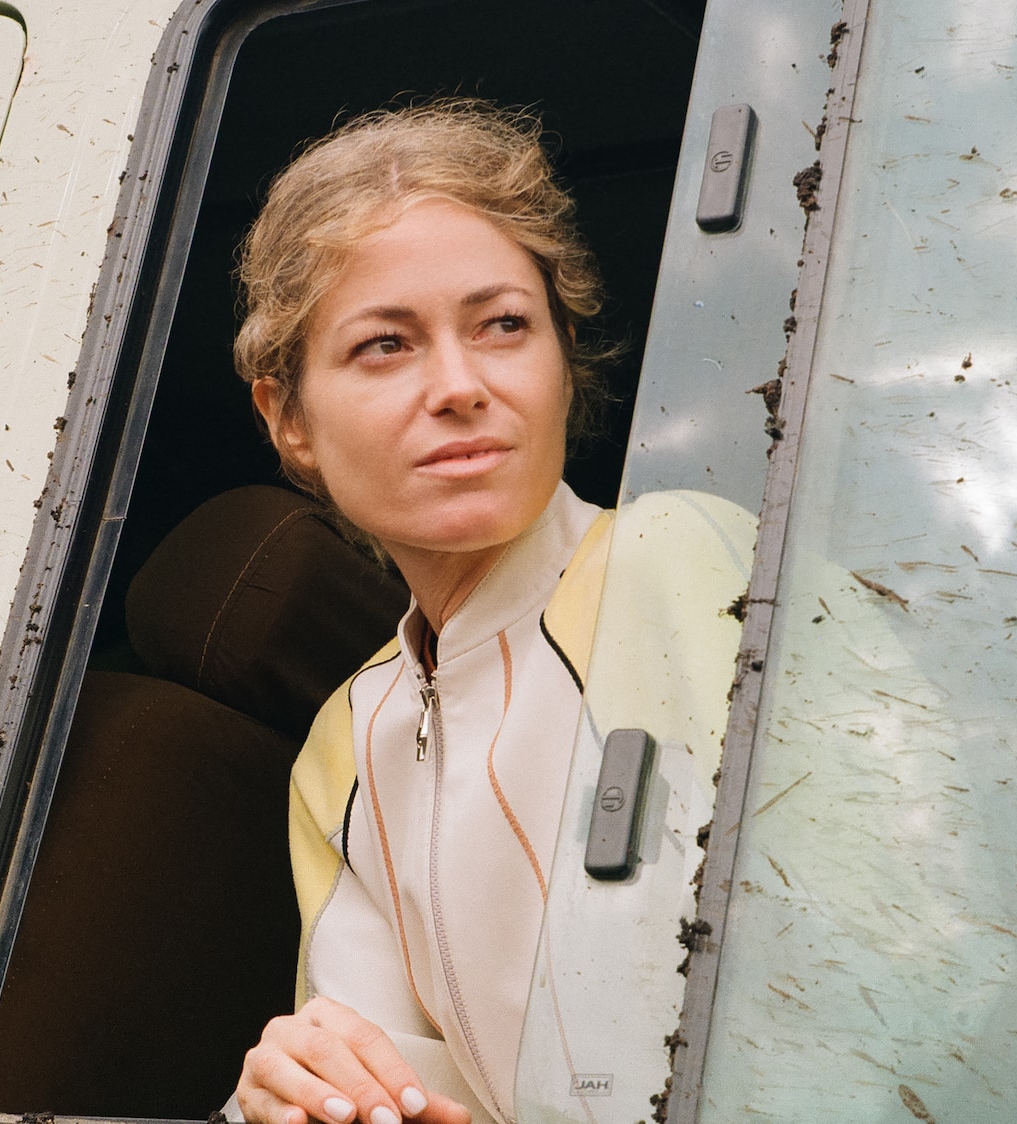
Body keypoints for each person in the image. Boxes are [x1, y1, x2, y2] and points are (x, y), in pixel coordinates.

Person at [227, 101, 749, 1124]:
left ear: (560, 359)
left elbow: (910, 952)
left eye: (502, 325)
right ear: (286, 416)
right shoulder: (341, 740)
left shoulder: (683, 555)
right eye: (385, 344)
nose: (460, 386)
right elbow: (409, 1091)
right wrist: (291, 1094)